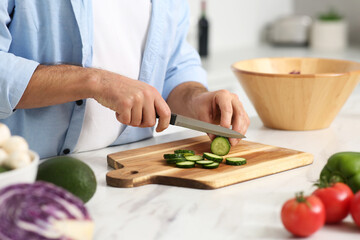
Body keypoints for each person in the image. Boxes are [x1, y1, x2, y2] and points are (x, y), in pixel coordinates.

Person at [0, 0, 249, 159]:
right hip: (23, 173)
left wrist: (196, 99)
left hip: (130, 173)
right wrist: (96, 82)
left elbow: (174, 65)